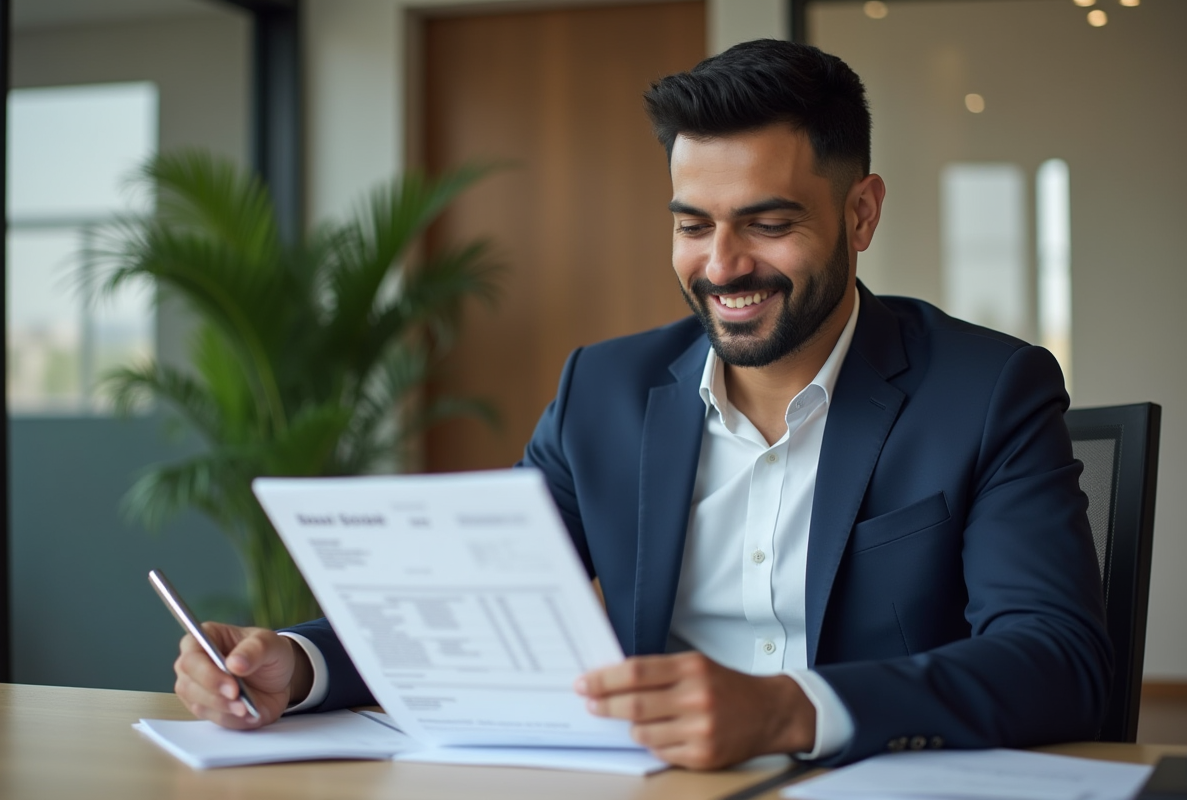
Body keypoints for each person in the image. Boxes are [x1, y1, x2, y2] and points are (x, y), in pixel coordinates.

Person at [172, 39, 1112, 770]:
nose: (723, 265)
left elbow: (1060, 659)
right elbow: (465, 600)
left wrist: (792, 708)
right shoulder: (604, 391)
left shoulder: (987, 389)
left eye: (769, 223)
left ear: (860, 214)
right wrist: (295, 666)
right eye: (693, 225)